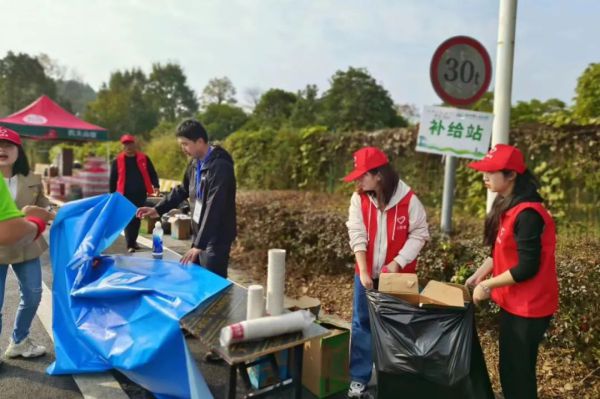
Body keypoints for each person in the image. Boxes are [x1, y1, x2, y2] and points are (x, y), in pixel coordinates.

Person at [465, 144, 558, 399]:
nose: (484, 177)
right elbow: (501, 252)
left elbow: (527, 266)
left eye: (491, 171)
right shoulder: (507, 205)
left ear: (512, 175)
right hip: (514, 303)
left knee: (517, 374)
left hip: (530, 307)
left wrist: (488, 286)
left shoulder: (528, 213)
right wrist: (480, 275)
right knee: (510, 369)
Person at [344, 146, 429, 398]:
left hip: (399, 278)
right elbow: (356, 233)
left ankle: (394, 381)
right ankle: (359, 378)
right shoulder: (358, 199)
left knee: (399, 327)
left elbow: (420, 233)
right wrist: (363, 270)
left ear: (378, 174)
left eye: (363, 175)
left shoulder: (408, 199)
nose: (358, 180)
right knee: (362, 324)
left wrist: (398, 262)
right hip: (366, 274)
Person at [136, 119, 236, 277]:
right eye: (181, 144)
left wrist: (199, 245)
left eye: (185, 144)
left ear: (200, 141)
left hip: (216, 237)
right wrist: (158, 209)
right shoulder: (195, 164)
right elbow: (182, 190)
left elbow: (214, 206)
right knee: (197, 280)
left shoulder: (220, 167)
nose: (183, 148)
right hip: (201, 234)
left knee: (211, 283)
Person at [0, 127, 54, 364]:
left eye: (8, 145)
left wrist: (48, 212)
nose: (2, 149)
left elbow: (46, 206)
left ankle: (19, 341)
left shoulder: (33, 179)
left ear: (18, 151)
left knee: (33, 294)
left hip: (27, 244)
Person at [109, 134, 160, 253]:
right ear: (123, 146)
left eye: (130, 144)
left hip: (140, 193)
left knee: (137, 217)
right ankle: (130, 244)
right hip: (124, 194)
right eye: (126, 144)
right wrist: (112, 195)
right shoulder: (117, 161)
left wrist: (156, 186)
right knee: (129, 218)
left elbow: (152, 173)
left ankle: (133, 241)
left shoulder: (144, 158)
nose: (128, 146)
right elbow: (112, 179)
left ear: (134, 144)